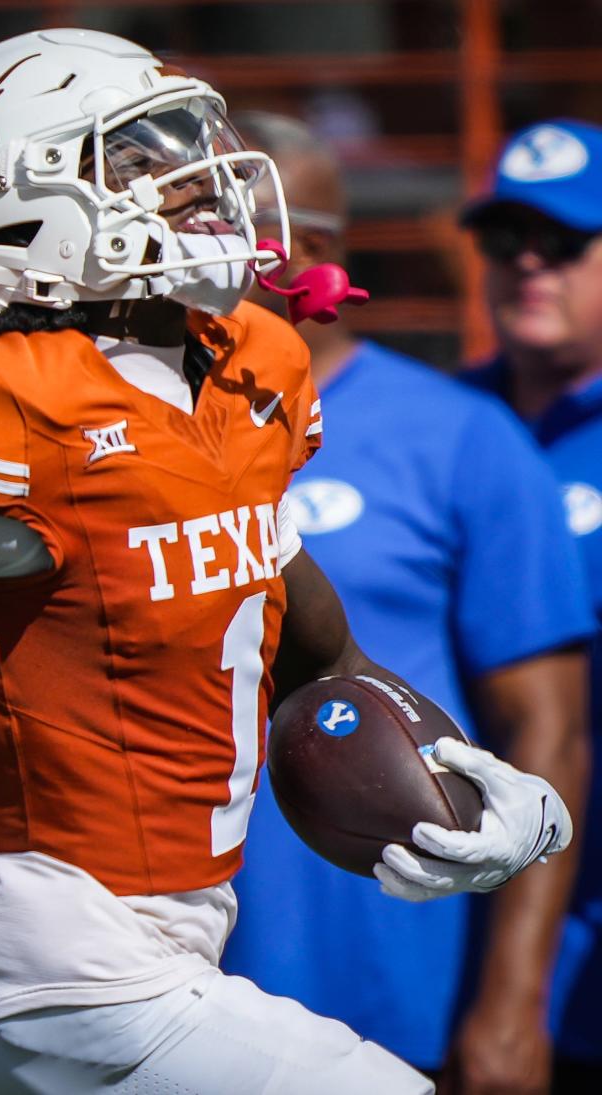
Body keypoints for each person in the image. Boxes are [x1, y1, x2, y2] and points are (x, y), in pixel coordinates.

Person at [0, 31, 576, 1095]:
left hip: (146, 948)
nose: (200, 179)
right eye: (140, 157)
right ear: (12, 213)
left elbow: (321, 657)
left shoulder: (241, 377)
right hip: (57, 957)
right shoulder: (2, 415)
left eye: (188, 143)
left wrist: (498, 788)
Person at [219, 112, 595, 1095]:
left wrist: (513, 1003)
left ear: (316, 250)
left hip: (391, 982)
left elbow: (547, 733)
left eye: (225, 222)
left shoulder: (462, 437)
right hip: (171, 976)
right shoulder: (139, 436)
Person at [460, 118, 602, 1094]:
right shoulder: (442, 433)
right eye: (505, 242)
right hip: (472, 931)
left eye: (564, 243)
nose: (528, 266)